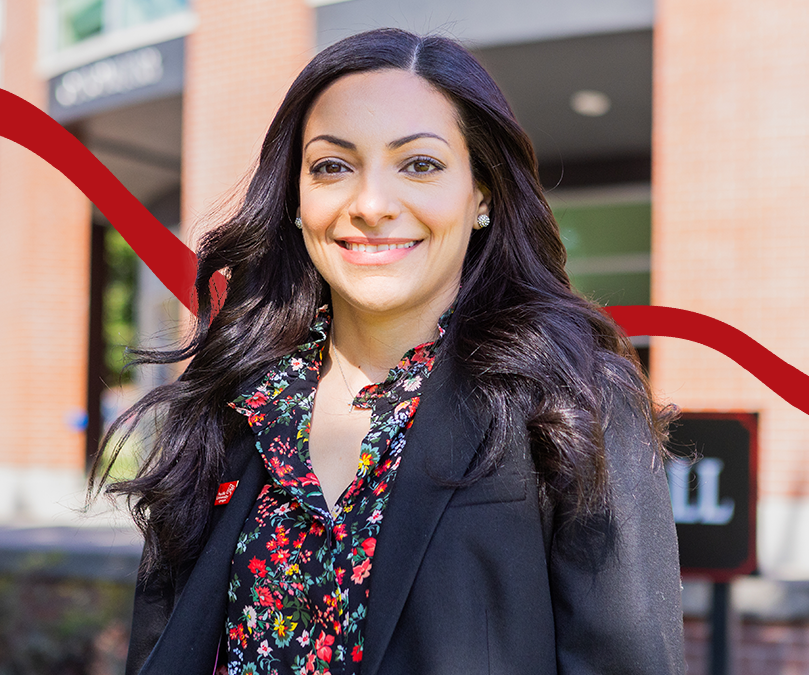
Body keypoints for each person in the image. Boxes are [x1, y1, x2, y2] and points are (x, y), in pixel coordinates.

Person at [95, 27, 684, 675]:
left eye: (420, 164)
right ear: (295, 200)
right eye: (332, 166)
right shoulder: (230, 399)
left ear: (481, 194)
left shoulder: (572, 399)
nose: (371, 205)